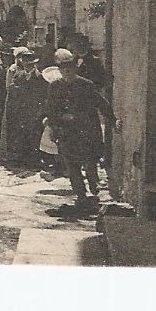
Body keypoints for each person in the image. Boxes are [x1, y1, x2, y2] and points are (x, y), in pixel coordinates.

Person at [44, 50, 119, 206]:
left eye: (70, 69)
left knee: (90, 161)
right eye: (64, 70)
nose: (67, 72)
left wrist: (113, 120)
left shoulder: (86, 85)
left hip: (87, 131)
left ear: (75, 69)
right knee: (72, 166)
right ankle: (81, 195)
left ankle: (93, 184)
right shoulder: (55, 87)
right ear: (59, 71)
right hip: (67, 132)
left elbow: (101, 104)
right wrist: (54, 124)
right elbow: (50, 109)